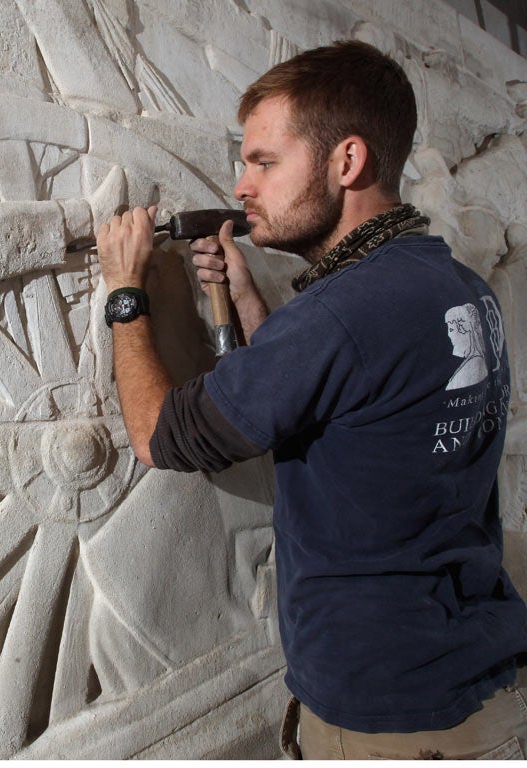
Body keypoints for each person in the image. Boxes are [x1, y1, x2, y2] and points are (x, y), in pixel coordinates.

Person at [96, 40, 527, 760]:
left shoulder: (338, 317)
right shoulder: (455, 287)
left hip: (392, 720)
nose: (241, 186)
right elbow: (342, 402)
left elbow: (159, 437)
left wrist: (124, 291)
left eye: (264, 162)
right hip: (476, 673)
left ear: (347, 162)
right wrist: (246, 300)